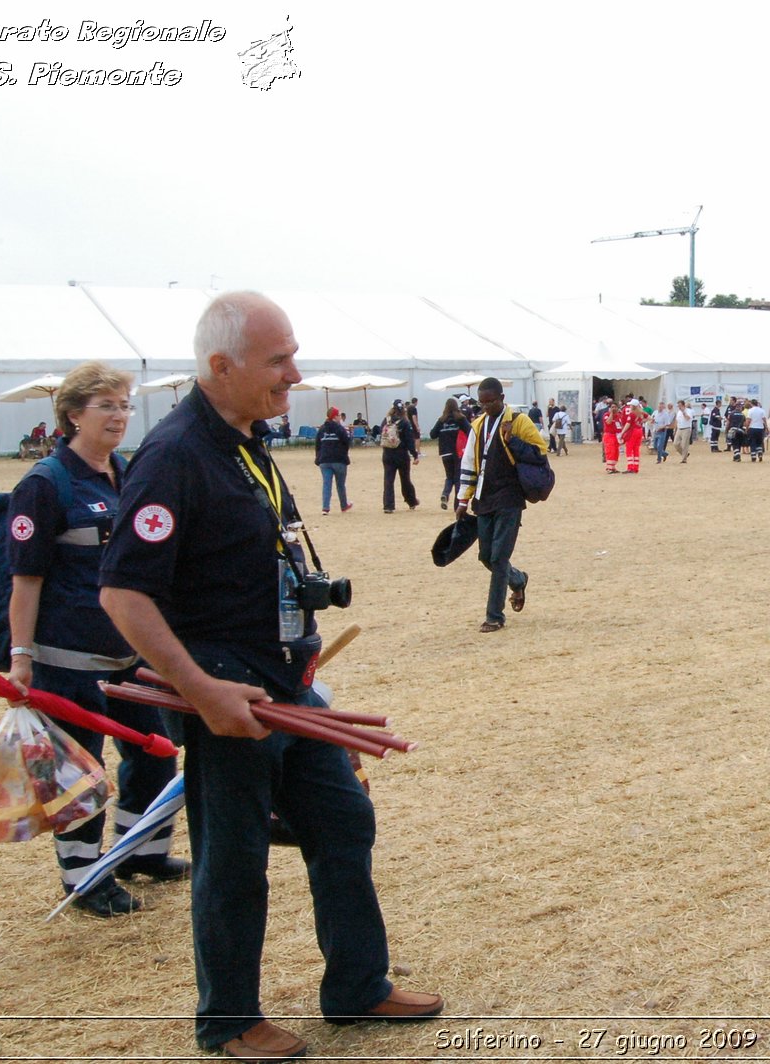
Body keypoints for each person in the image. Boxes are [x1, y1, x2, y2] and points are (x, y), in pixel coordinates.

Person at [99, 291, 442, 1060]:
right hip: (229, 695)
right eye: (279, 360)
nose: (296, 373)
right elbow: (123, 593)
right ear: (220, 367)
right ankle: (228, 1021)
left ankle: (356, 987)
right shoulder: (175, 454)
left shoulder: (245, 438)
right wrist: (200, 689)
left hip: (286, 685)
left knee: (344, 823)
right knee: (233, 856)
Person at [5, 362, 185, 916]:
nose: (119, 416)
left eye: (124, 404)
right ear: (71, 415)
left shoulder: (125, 473)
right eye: (106, 405)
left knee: (155, 756)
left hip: (129, 655)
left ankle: (142, 852)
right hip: (67, 661)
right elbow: (26, 580)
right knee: (81, 775)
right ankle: (83, 878)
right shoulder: (45, 484)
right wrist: (20, 657)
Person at [457, 377, 544, 633]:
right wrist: (463, 498)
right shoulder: (477, 426)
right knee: (485, 556)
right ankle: (518, 579)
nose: (486, 407)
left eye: (490, 402)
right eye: (482, 403)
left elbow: (539, 452)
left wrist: (512, 440)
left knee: (499, 557)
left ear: (501, 399)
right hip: (484, 498)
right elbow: (469, 463)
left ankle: (494, 616)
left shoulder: (519, 422)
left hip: (510, 498)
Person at [429, 397, 470, 509]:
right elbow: (470, 431)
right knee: (458, 478)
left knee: (449, 476)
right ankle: (457, 505)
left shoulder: (442, 420)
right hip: (458, 452)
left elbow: (432, 434)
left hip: (445, 452)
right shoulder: (461, 419)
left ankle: (445, 494)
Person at [380, 401, 419, 513]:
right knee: (405, 479)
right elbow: (409, 441)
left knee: (388, 480)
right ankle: (411, 501)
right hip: (401, 455)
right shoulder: (405, 422)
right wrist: (415, 454)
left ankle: (388, 505)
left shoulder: (386, 420)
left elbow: (381, 433)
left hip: (387, 454)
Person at [314, 407, 353, 514]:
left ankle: (325, 508)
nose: (340, 417)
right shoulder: (340, 429)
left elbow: (318, 444)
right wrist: (344, 454)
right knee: (340, 484)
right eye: (339, 415)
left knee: (326, 484)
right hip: (339, 460)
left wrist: (318, 457)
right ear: (335, 417)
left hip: (324, 460)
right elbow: (347, 442)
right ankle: (344, 505)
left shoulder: (322, 429)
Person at [619, 397, 646, 473]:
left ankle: (630, 467)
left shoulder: (632, 414)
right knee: (636, 449)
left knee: (629, 449)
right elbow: (649, 418)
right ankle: (636, 467)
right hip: (639, 430)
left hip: (633, 431)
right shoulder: (641, 413)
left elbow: (628, 424)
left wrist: (622, 432)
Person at [601, 398, 621, 473]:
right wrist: (611, 414)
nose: (614, 408)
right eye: (612, 407)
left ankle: (613, 467)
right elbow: (608, 422)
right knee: (610, 451)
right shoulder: (606, 415)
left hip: (616, 435)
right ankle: (609, 468)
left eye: (615, 407)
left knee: (616, 452)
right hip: (609, 435)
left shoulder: (619, 416)